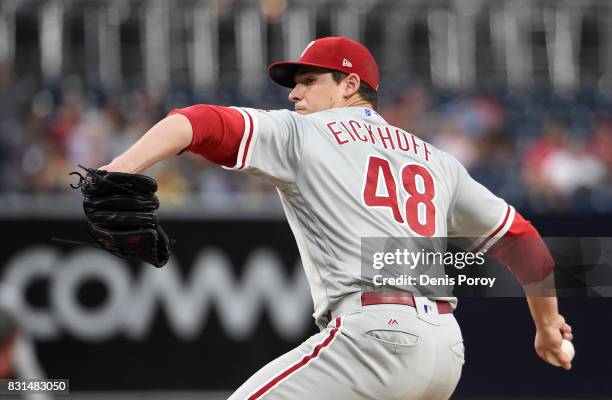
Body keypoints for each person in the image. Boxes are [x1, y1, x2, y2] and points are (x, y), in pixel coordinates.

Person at [99, 37, 573, 399]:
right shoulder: (436, 160)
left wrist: (118, 169)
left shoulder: (305, 134)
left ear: (350, 86)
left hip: (374, 337)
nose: (294, 95)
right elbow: (523, 241)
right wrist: (547, 326)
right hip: (446, 351)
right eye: (295, 84)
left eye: (309, 81)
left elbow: (195, 121)